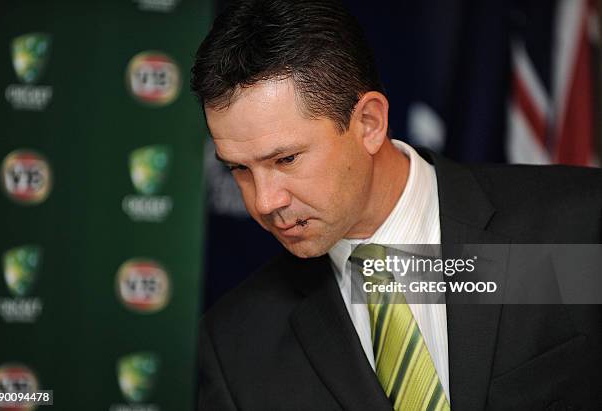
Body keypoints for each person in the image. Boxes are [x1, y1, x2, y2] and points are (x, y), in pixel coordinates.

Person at [190, 0, 602, 410]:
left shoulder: (577, 225)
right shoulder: (236, 345)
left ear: (369, 123)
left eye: (286, 159)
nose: (263, 201)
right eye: (239, 169)